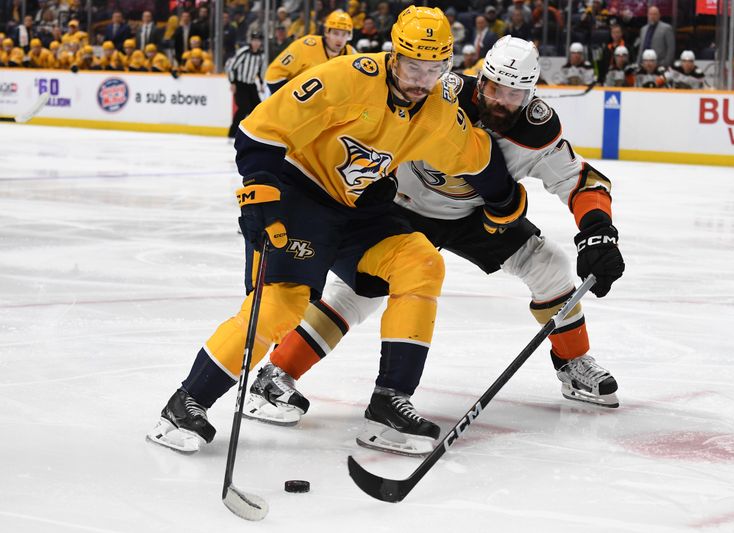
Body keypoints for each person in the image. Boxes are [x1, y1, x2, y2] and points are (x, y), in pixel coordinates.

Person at [147, 6, 517, 455]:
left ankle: (390, 399)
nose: (422, 80)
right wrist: (260, 188)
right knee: (281, 305)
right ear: (394, 55)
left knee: (422, 263)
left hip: (362, 208)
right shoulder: (346, 77)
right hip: (299, 194)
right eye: (414, 65)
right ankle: (186, 403)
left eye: (435, 68)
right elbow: (260, 130)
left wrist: (506, 203)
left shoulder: (438, 111)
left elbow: (478, 161)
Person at [244, 37, 625, 452]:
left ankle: (572, 363)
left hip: (475, 216)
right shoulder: (439, 94)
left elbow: (579, 180)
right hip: (403, 207)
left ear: (531, 93)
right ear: (480, 80)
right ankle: (276, 374)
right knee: (359, 291)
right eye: (494, 87)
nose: (500, 100)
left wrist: (597, 230)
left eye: (514, 94)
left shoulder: (536, 130)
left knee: (548, 264)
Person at [266, 10, 355, 95]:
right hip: (299, 101)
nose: (339, 39)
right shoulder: (305, 46)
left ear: (349, 35)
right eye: (335, 33)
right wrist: (287, 99)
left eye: (344, 34)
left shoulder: (352, 55)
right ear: (327, 32)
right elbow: (274, 74)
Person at [226, 30, 266, 139]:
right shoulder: (244, 51)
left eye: (258, 41)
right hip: (240, 84)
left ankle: (254, 134)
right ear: (251, 41)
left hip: (251, 85)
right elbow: (232, 67)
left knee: (257, 109)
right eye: (254, 40)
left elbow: (261, 70)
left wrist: (262, 84)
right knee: (244, 107)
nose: (256, 43)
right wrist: (233, 82)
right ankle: (232, 133)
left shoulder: (261, 55)